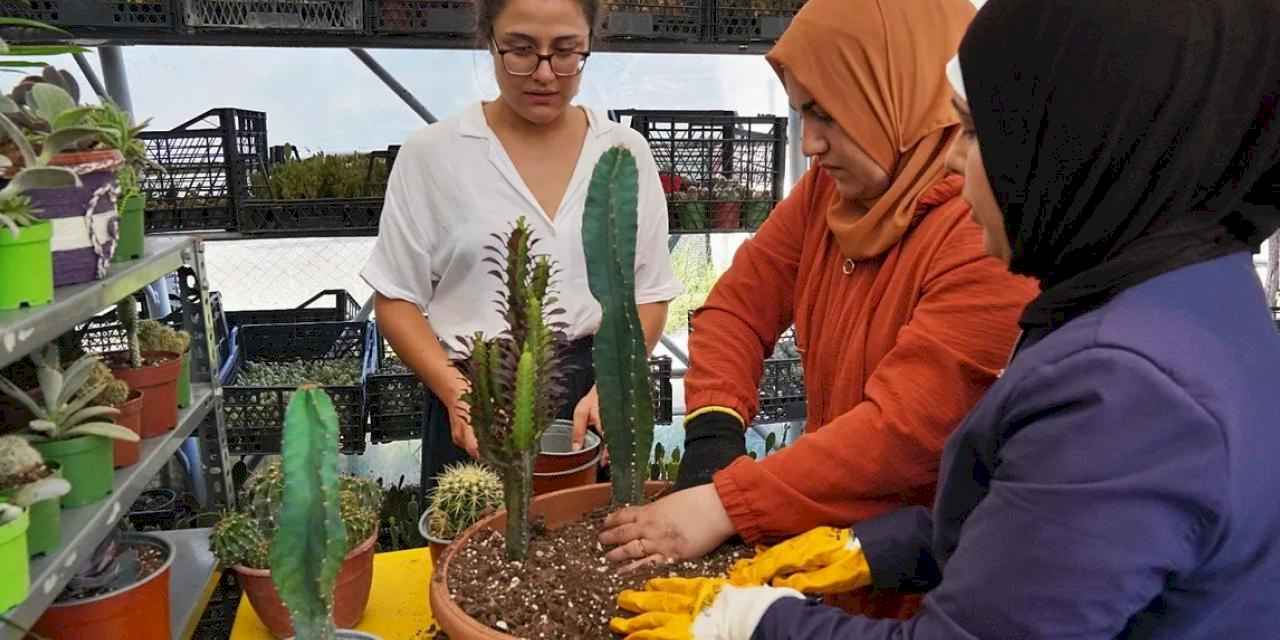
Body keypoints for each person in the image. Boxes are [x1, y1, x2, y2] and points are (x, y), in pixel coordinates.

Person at [609, 0, 1280, 637]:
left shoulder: (1127, 389)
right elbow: (1033, 521)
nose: (957, 157)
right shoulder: (1184, 287)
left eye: (978, 131)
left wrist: (751, 619)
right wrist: (877, 544)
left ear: (1066, 144)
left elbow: (914, 444)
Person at [599, 0, 1036, 618]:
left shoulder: (982, 232)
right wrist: (714, 433)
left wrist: (727, 503)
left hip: (931, 590)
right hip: (829, 557)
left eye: (826, 113)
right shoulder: (830, 194)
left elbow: (903, 435)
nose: (810, 143)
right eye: (803, 112)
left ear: (897, 90)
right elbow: (737, 308)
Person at [361, 0, 681, 493]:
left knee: (596, 555)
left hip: (592, 392)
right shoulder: (433, 153)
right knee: (477, 546)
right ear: (488, 40)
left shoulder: (622, 153)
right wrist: (458, 393)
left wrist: (615, 388)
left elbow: (651, 291)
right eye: (521, 50)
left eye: (567, 52)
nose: (545, 74)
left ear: (590, 44)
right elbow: (396, 299)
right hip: (478, 388)